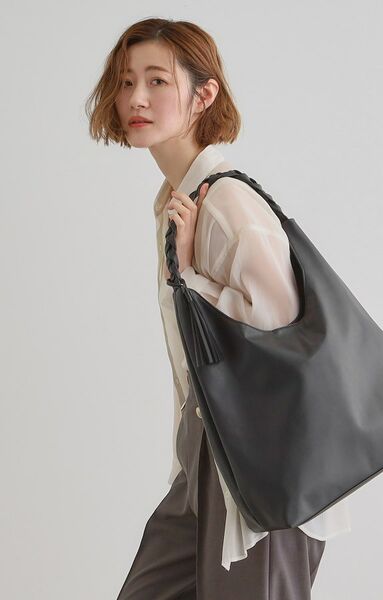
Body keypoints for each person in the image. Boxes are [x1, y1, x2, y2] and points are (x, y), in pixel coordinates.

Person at [86, 17, 351, 599]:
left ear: (203, 96)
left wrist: (191, 279)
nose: (135, 98)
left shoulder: (226, 201)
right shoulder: (176, 199)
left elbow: (286, 334)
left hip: (266, 466)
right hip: (209, 455)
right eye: (126, 81)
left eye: (157, 81)